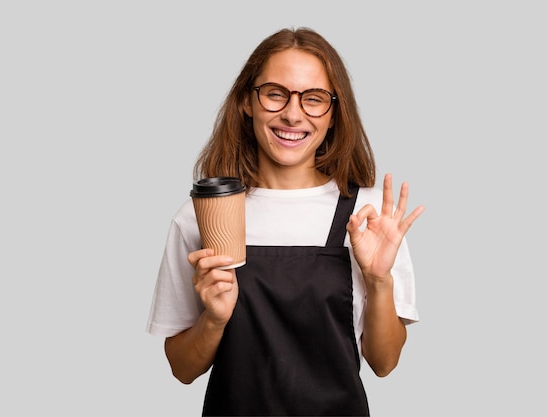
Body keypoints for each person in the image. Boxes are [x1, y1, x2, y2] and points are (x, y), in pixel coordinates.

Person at [146, 26, 425, 416]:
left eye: (313, 99)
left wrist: (379, 281)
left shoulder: (371, 217)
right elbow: (181, 368)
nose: (292, 114)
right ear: (248, 101)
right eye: (275, 94)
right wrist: (213, 319)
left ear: (333, 113)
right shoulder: (201, 217)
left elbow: (384, 362)